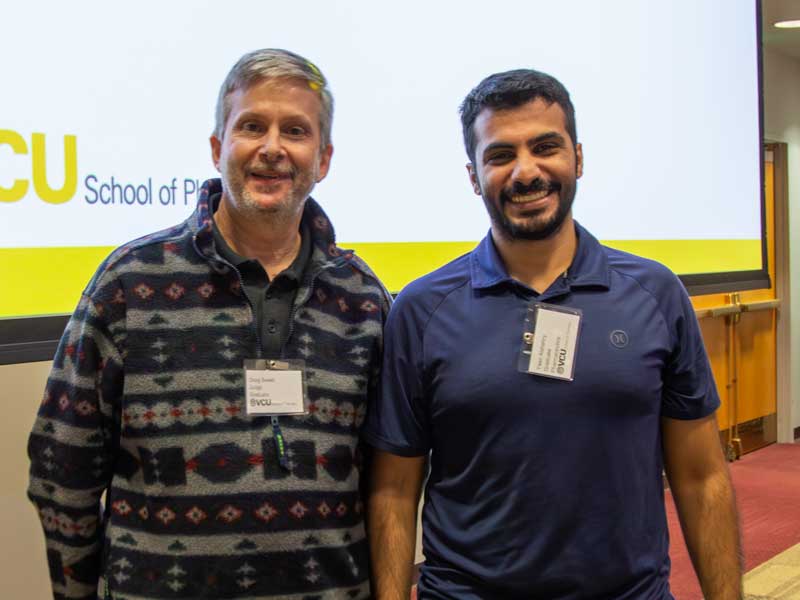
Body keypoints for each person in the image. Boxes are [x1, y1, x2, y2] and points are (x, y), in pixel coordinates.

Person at [364, 69, 742, 599]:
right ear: (473, 176)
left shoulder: (657, 294)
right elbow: (394, 489)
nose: (526, 172)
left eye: (546, 147)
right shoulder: (421, 309)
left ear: (578, 158)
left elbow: (702, 477)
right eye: (499, 155)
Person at [28, 48, 390, 600]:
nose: (272, 148)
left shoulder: (363, 296)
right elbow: (62, 464)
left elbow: (389, 481)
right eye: (252, 126)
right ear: (218, 147)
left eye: (295, 130)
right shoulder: (129, 281)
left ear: (324, 158)